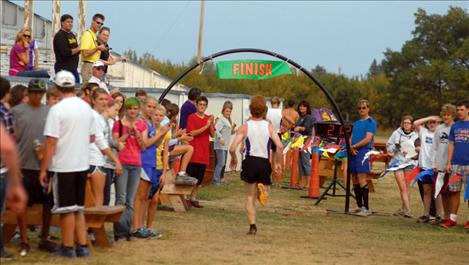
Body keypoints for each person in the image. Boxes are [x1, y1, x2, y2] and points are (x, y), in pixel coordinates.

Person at [39, 70, 94, 258]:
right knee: (78, 208)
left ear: (57, 87)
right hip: (82, 163)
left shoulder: (58, 110)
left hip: (64, 164)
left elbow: (51, 142)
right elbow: (92, 136)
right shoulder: (85, 107)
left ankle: (68, 246)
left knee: (66, 209)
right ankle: (83, 246)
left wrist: (44, 169)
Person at [11, 79, 57, 256]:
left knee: (47, 203)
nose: (37, 96)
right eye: (34, 92)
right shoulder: (16, 112)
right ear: (28, 93)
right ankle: (24, 239)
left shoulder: (50, 112)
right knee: (23, 203)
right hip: (23, 165)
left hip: (45, 165)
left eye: (40, 93)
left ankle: (44, 238)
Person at [229, 95, 282, 235]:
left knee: (249, 198)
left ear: (250, 110)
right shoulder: (269, 127)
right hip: (264, 162)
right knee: (263, 189)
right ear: (264, 111)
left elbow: (232, 148)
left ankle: (252, 226)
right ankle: (262, 190)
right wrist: (277, 163)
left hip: (250, 161)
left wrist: (234, 159)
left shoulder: (245, 127)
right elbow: (280, 146)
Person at [132, 97, 168, 239]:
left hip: (151, 161)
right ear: (143, 106)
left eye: (154, 107)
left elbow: (156, 144)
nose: (152, 110)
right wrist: (160, 133)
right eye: (149, 106)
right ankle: (136, 227)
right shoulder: (141, 122)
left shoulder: (150, 123)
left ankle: (141, 226)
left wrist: (163, 133)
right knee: (140, 196)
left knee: (146, 197)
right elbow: (145, 143)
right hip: (142, 161)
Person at [112, 97, 147, 241]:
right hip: (122, 163)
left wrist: (137, 134)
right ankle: (119, 232)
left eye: (135, 109)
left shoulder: (142, 125)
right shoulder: (118, 124)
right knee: (121, 198)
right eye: (130, 108)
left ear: (138, 110)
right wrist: (126, 134)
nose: (132, 111)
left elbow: (144, 146)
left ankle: (127, 231)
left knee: (130, 200)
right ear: (125, 110)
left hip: (136, 164)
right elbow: (114, 143)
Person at [88, 88, 123, 206]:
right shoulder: (94, 117)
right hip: (93, 161)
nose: (104, 102)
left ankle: (95, 224)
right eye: (100, 99)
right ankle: (95, 224)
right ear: (93, 100)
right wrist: (116, 160)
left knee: (99, 198)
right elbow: (101, 143)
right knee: (98, 199)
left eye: (105, 99)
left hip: (98, 160)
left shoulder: (100, 118)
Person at [443, 100, 469, 229]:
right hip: (456, 164)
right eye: (458, 110)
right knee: (454, 192)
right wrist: (449, 162)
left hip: (468, 164)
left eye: (462, 109)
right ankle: (452, 219)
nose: (459, 112)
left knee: (468, 193)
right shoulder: (455, 126)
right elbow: (451, 145)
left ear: (468, 110)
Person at [386, 115, 419, 218]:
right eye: (404, 123)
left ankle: (404, 209)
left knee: (406, 188)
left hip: (410, 163)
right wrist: (395, 147)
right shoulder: (396, 133)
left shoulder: (415, 135)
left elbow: (417, 151)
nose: (406, 125)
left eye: (408, 123)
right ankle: (408, 210)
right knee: (402, 187)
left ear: (412, 125)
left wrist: (409, 152)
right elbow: (389, 148)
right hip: (398, 163)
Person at [186, 96, 215, 208]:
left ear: (206, 106)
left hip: (203, 152)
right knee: (191, 177)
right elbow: (192, 133)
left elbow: (212, 134)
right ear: (196, 105)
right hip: (194, 152)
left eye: (204, 105)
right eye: (200, 104)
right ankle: (187, 197)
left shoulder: (208, 118)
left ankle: (193, 198)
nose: (202, 107)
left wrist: (211, 123)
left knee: (199, 178)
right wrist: (206, 126)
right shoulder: (191, 117)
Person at [350, 99, 377, 216]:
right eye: (360, 108)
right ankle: (358, 205)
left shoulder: (371, 122)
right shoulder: (356, 123)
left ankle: (366, 208)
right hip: (353, 151)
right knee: (354, 177)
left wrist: (355, 146)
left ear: (368, 109)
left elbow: (368, 138)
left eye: (364, 108)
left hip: (363, 151)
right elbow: (351, 136)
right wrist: (351, 147)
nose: (362, 110)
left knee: (361, 177)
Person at [432, 104, 456, 224]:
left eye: (449, 115)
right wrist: (434, 163)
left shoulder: (456, 128)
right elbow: (435, 147)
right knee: (443, 192)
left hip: (451, 165)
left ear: (452, 116)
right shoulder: (439, 128)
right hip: (440, 164)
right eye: (444, 114)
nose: (446, 117)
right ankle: (445, 217)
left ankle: (450, 218)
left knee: (451, 192)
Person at [413, 115, 439, 223]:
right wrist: (430, 117)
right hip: (424, 166)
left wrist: (438, 119)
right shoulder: (424, 132)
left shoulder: (440, 133)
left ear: (438, 124)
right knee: (426, 191)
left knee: (437, 192)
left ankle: (438, 215)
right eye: (430, 122)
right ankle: (426, 214)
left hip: (436, 167)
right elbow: (415, 123)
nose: (432, 124)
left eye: (434, 122)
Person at [213, 101, 236, 185]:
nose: (228, 113)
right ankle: (216, 181)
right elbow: (216, 130)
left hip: (225, 146)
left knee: (223, 164)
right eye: (227, 111)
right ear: (223, 111)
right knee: (220, 163)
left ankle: (218, 179)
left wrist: (234, 130)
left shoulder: (227, 120)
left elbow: (229, 133)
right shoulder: (221, 119)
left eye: (230, 111)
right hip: (219, 146)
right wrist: (220, 138)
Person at [53, 14, 81, 83]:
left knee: (77, 88)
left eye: (71, 22)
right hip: (63, 69)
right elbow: (65, 52)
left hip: (73, 69)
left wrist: (80, 49)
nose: (70, 24)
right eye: (68, 22)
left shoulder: (72, 35)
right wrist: (79, 48)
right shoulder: (60, 35)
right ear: (62, 23)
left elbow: (77, 50)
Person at [80, 13, 106, 82]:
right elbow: (85, 54)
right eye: (98, 23)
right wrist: (97, 48)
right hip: (88, 66)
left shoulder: (94, 35)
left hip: (94, 66)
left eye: (101, 24)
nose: (99, 25)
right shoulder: (87, 35)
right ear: (92, 22)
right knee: (89, 90)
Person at [294, 100, 313, 189]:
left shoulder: (308, 117)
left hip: (306, 142)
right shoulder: (300, 117)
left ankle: (309, 183)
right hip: (299, 141)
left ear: (307, 108)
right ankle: (301, 183)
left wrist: (299, 128)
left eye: (304, 106)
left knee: (305, 162)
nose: (302, 107)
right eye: (301, 106)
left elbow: (307, 128)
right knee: (300, 162)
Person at [266, 97, 282, 181]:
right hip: (277, 134)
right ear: (279, 104)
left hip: (268, 134)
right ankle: (273, 177)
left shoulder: (268, 111)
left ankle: (267, 176)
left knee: (267, 155)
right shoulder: (280, 111)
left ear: (271, 103)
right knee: (274, 158)